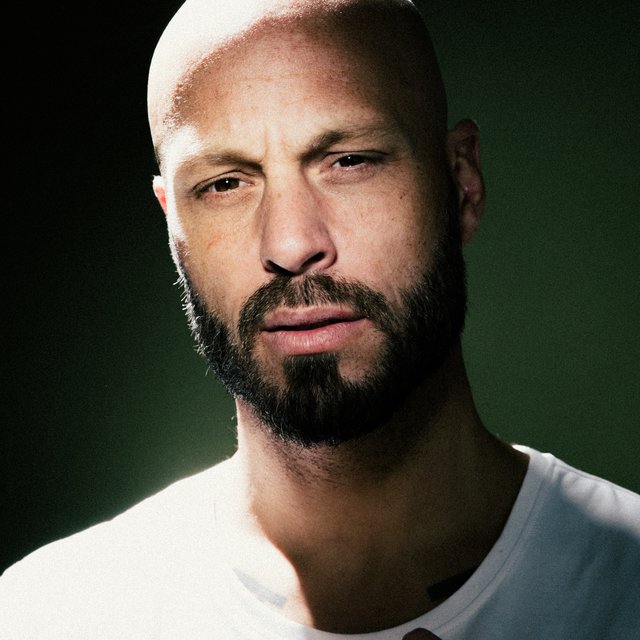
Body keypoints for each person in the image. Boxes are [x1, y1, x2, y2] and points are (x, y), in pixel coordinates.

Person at [1, 0, 638, 638]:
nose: (290, 245)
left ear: (460, 183)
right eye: (226, 183)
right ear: (173, 225)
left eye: (349, 161)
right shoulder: (52, 616)